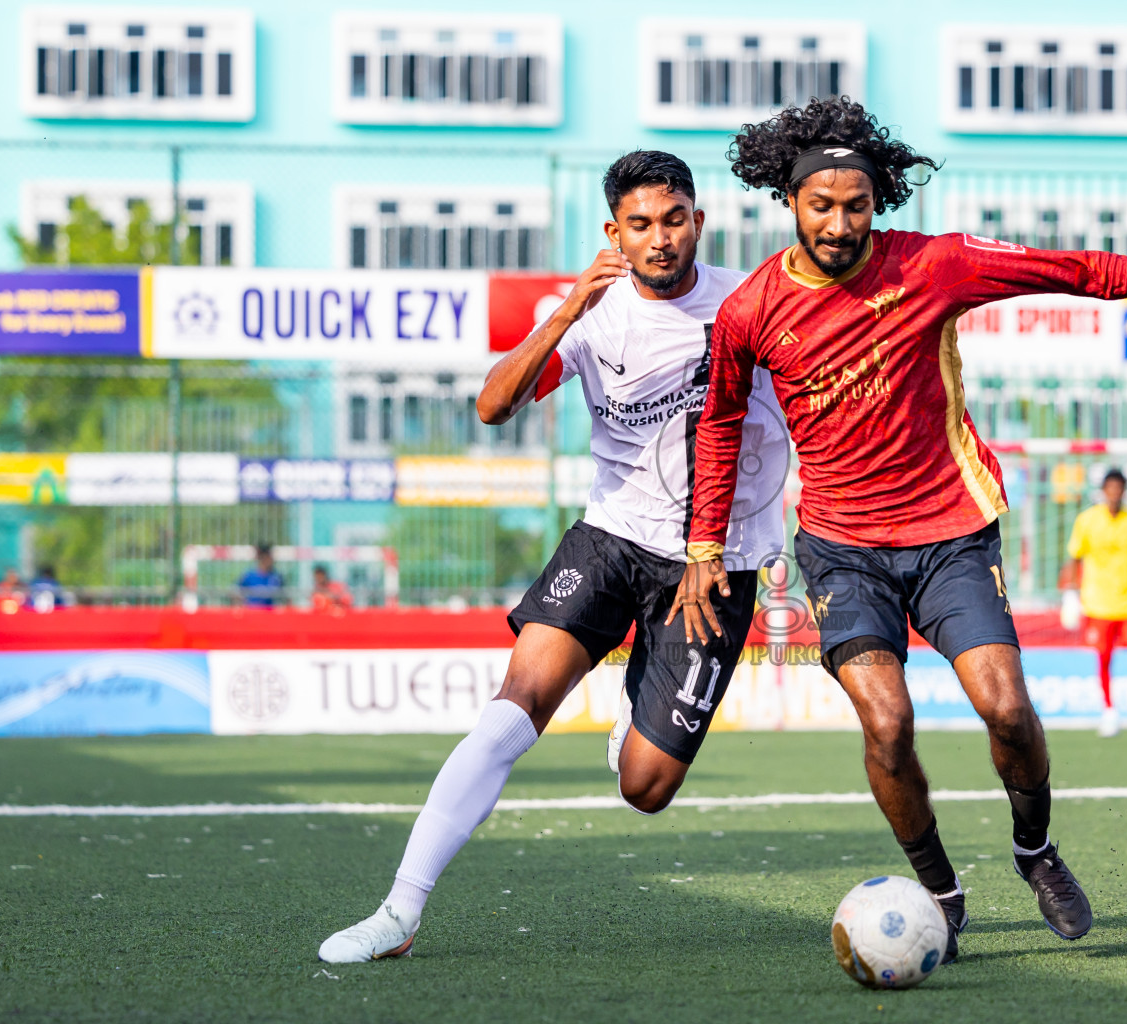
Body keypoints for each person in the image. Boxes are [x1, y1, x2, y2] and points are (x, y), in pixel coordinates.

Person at [669, 96, 1127, 957]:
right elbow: (719, 422)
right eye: (822, 205)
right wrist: (703, 546)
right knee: (886, 726)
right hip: (843, 549)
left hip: (953, 533)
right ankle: (939, 892)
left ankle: (1035, 851)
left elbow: (1074, 269)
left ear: (877, 201)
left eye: (856, 205)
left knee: (1005, 708)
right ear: (789, 200)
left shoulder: (939, 264)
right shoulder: (752, 311)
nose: (840, 223)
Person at [319, 151, 789, 963]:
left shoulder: (749, 304)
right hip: (609, 536)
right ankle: (399, 912)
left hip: (716, 558)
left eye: (674, 220)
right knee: (513, 707)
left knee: (645, 789)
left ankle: (636, 709)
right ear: (615, 232)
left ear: (699, 222)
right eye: (640, 224)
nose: (660, 239)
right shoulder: (586, 311)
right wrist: (571, 307)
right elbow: (494, 405)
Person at [1063, 470, 1127, 739]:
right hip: (1097, 603)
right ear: (1103, 491)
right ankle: (1109, 712)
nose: (1114, 493)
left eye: (1119, 488)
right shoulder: (1087, 521)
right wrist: (1071, 594)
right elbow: (1075, 558)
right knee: (1104, 658)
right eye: (1110, 488)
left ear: (1124, 491)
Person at [237, 544, 284, 608]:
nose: (272, 560)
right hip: (252, 613)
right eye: (269, 557)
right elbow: (236, 592)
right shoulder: (249, 576)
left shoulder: (276, 577)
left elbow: (286, 595)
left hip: (269, 614)